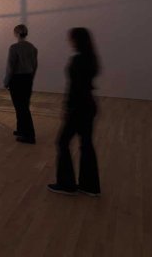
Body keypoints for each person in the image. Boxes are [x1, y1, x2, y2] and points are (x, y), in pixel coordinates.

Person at [48, 28, 101, 196]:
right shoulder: (92, 58)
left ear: (77, 40)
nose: (69, 41)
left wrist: (68, 107)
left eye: (71, 38)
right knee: (86, 144)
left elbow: (74, 87)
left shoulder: (77, 60)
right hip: (89, 105)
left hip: (78, 107)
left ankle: (66, 184)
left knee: (62, 142)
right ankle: (90, 186)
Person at [4, 24, 38, 144]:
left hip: (17, 80)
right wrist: (31, 78)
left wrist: (6, 81)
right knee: (23, 105)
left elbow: (11, 67)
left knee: (20, 107)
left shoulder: (14, 48)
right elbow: (35, 65)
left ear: (16, 33)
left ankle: (29, 135)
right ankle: (21, 130)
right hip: (27, 79)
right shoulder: (32, 47)